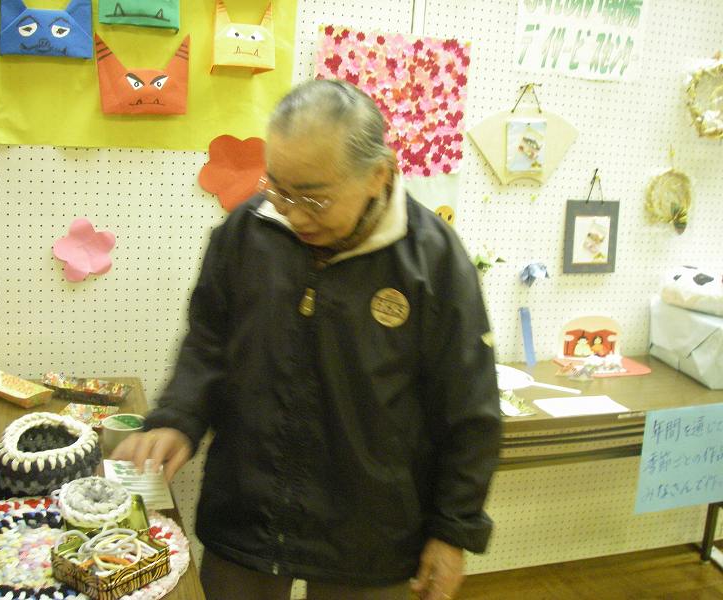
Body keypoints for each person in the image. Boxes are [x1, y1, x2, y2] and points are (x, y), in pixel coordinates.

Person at [112, 79, 501, 600]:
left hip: (371, 532)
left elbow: (469, 407)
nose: (292, 213)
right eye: (278, 187)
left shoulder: (434, 260)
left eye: (314, 198)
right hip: (247, 510)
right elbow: (207, 343)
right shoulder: (247, 232)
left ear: (379, 175)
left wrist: (453, 530)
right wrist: (177, 419)